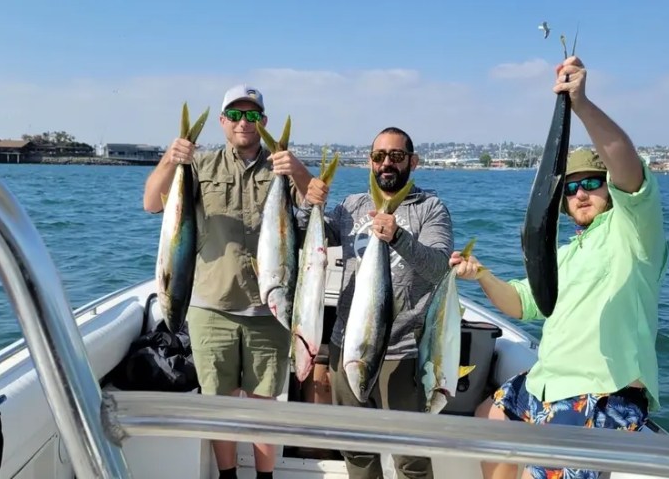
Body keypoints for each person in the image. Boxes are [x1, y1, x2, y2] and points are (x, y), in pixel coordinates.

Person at [450, 56, 668, 479]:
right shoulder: (564, 253)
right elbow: (522, 305)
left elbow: (628, 168)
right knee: (486, 415)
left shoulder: (633, 231)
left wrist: (581, 105)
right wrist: (481, 276)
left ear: (608, 187)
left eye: (591, 183)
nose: (581, 194)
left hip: (598, 393)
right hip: (544, 381)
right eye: (570, 189)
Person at [143, 84, 313, 479]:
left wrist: (298, 169)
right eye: (235, 115)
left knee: (264, 405)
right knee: (219, 403)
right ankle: (228, 476)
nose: (243, 122)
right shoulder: (200, 166)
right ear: (221, 122)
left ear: (264, 123)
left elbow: (317, 202)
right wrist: (171, 159)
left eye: (252, 115)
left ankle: (266, 477)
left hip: (269, 308)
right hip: (210, 306)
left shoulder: (281, 169)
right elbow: (152, 202)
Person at [300, 127, 454, 479]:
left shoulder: (430, 209)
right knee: (356, 450)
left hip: (403, 351)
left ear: (412, 161)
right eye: (379, 156)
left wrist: (397, 236)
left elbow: (438, 267)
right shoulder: (351, 206)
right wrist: (308, 204)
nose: (387, 163)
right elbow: (307, 237)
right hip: (347, 345)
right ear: (370, 162)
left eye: (396, 156)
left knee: (411, 458)